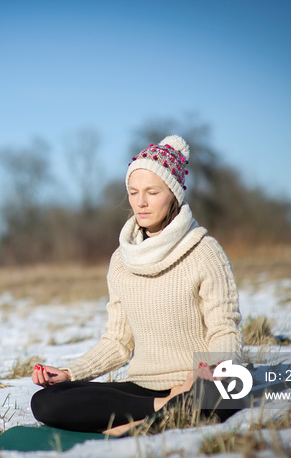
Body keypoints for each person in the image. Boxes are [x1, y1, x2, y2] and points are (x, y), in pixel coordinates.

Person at [30, 135, 244, 434]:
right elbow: (117, 342)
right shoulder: (121, 260)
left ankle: (170, 408)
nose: (140, 202)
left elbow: (224, 329)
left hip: (200, 385)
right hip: (145, 389)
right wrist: (68, 373)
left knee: (215, 399)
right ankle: (161, 409)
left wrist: (207, 374)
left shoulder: (204, 251)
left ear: (174, 194)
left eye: (152, 192)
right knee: (45, 401)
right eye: (133, 192)